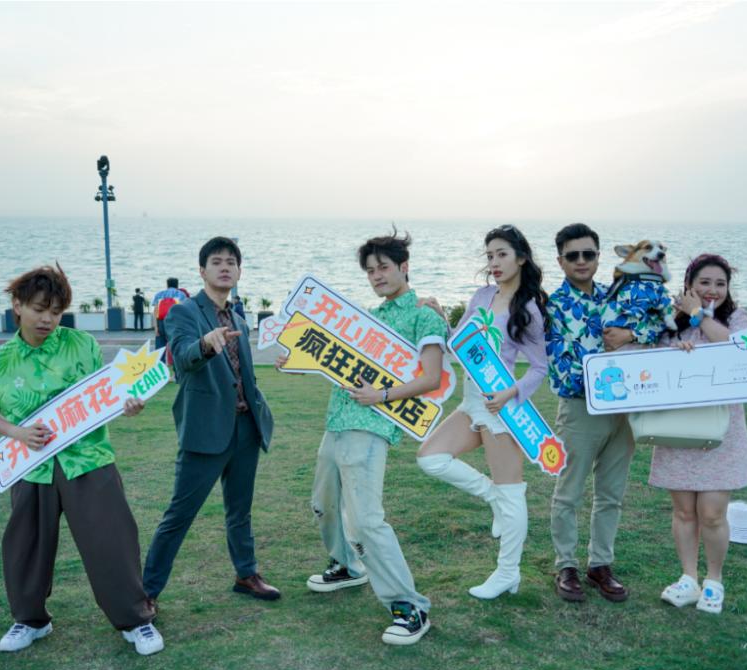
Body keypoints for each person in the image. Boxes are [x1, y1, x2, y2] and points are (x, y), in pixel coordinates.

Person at [0, 263, 163, 656]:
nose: (48, 319)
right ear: (18, 306)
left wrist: (128, 405)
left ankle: (135, 620)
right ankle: (30, 620)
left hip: (88, 460)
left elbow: (107, 393)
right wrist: (18, 432)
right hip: (30, 467)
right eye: (39, 309)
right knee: (26, 545)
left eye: (56, 312)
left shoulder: (82, 345)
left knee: (112, 540)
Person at [275, 227, 446, 646]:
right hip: (337, 420)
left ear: (404, 267)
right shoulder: (370, 318)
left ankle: (411, 607)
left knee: (367, 519)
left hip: (371, 425)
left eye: (383, 267)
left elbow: (432, 378)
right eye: (370, 270)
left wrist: (381, 395)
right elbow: (333, 362)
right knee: (323, 504)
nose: (376, 276)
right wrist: (293, 361)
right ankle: (348, 567)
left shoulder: (423, 314)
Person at [416, 225, 549, 599]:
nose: (494, 262)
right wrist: (441, 316)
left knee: (512, 492)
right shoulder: (483, 295)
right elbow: (458, 344)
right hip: (471, 402)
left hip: (500, 408)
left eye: (502, 254)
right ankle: (491, 498)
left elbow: (539, 367)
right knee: (430, 457)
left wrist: (510, 392)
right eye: (490, 255)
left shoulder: (529, 309)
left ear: (521, 258)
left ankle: (508, 573)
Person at [143, 237, 279, 603]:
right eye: (217, 262)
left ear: (239, 271)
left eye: (231, 262)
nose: (225, 267)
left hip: (246, 427)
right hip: (205, 429)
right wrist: (206, 343)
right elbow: (182, 359)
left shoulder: (239, 318)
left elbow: (244, 373)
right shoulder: (183, 313)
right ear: (202, 271)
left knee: (240, 511)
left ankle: (246, 574)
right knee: (179, 515)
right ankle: (147, 592)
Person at [544, 223, 663, 604]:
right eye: (573, 255)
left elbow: (660, 324)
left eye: (589, 254)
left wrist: (632, 336)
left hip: (624, 407)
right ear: (560, 260)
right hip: (581, 408)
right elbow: (553, 360)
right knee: (569, 492)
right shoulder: (551, 305)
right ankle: (566, 566)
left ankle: (600, 565)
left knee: (611, 494)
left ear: (599, 257)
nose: (582, 261)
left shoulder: (622, 293)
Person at [651, 254, 747, 615]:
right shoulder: (669, 321)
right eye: (704, 282)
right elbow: (652, 364)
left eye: (720, 283)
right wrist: (675, 351)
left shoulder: (737, 317)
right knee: (684, 511)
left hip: (722, 431)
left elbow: (736, 348)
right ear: (689, 285)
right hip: (678, 430)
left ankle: (714, 581)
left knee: (712, 513)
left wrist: (699, 315)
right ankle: (688, 578)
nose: (713, 289)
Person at [153, 278, 188, 369]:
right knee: (176, 350)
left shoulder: (159, 294)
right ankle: (177, 374)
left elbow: (155, 311)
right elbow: (184, 312)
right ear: (177, 286)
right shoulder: (182, 295)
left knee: (160, 350)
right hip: (176, 324)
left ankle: (160, 373)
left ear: (167, 285)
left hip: (161, 323)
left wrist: (156, 327)